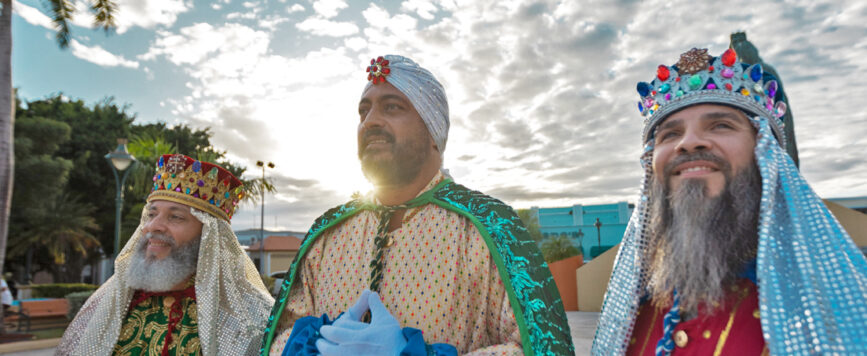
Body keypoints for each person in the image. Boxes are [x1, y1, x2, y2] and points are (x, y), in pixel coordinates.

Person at [261, 55, 573, 356]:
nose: (370, 121)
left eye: (392, 107)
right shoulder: (327, 236)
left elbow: (536, 347)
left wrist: (412, 354)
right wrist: (315, 344)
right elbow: (281, 334)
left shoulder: (489, 228)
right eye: (363, 111)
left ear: (433, 131)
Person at [591, 47, 867, 355]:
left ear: (763, 154)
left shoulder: (827, 309)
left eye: (721, 125)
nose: (688, 142)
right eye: (670, 134)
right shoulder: (635, 311)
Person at [57, 154, 274, 355]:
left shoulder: (252, 319)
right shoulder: (111, 302)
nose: (152, 226)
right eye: (152, 214)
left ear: (209, 236)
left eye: (175, 217)